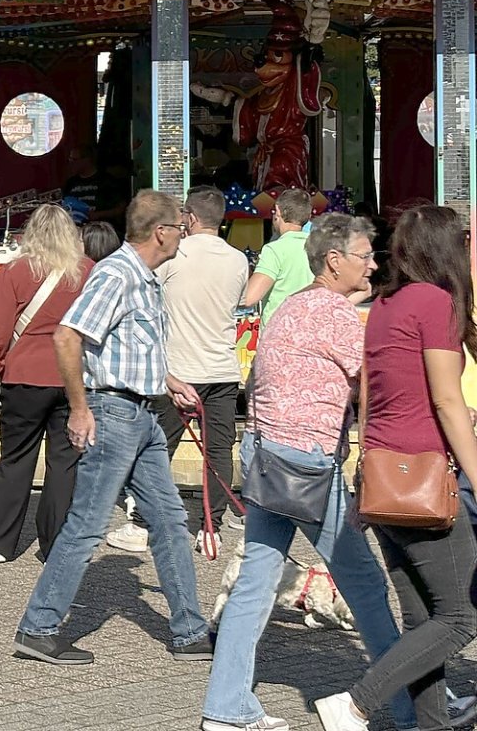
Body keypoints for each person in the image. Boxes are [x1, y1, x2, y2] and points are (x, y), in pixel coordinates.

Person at [203, 213, 418, 731]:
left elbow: (257, 381)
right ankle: (412, 707)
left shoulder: (290, 309)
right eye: (365, 254)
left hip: (265, 457)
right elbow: (374, 387)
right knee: (365, 583)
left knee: (257, 579)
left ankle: (226, 706)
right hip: (307, 464)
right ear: (333, 260)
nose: (372, 263)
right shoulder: (337, 317)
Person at [12, 190, 209, 666]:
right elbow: (67, 335)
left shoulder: (143, 278)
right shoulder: (118, 274)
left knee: (168, 520)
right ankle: (38, 627)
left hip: (142, 414)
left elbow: (125, 349)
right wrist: (80, 408)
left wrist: (168, 379)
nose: (184, 234)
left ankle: (190, 631)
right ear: (161, 232)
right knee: (87, 525)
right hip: (116, 414)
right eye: (180, 227)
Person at [315, 205, 477, 731]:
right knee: (459, 617)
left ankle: (429, 725)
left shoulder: (386, 301)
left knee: (422, 621)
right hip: (423, 476)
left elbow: (384, 389)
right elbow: (448, 402)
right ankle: (356, 703)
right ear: (448, 249)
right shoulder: (435, 302)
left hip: (383, 475)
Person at [107, 186, 250, 556]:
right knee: (218, 449)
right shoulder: (238, 261)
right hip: (222, 368)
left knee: (157, 448)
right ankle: (210, 527)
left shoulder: (175, 255)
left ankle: (142, 524)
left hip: (178, 370)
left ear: (189, 217)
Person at [0, 205, 92, 565]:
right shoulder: (88, 273)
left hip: (24, 376)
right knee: (65, 463)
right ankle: (56, 546)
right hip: (73, 378)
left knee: (16, 460)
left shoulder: (15, 271)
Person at [242, 188, 314, 322]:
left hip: (278, 331)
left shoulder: (274, 250)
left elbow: (249, 298)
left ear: (278, 211)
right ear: (308, 216)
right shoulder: (318, 247)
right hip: (310, 330)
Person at [63, 145, 125, 226]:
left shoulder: (107, 181)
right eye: (70, 159)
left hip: (100, 230)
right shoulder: (70, 183)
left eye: (74, 160)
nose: (71, 163)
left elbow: (120, 208)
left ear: (87, 160)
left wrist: (99, 214)